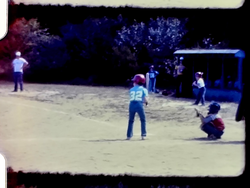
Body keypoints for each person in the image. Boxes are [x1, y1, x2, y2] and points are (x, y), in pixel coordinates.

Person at [127, 74, 149, 140]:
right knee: (143, 120)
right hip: (139, 104)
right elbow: (145, 99)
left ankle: (129, 136)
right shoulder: (144, 89)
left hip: (131, 104)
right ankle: (143, 135)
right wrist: (147, 103)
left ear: (136, 82)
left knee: (131, 120)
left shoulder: (131, 89)